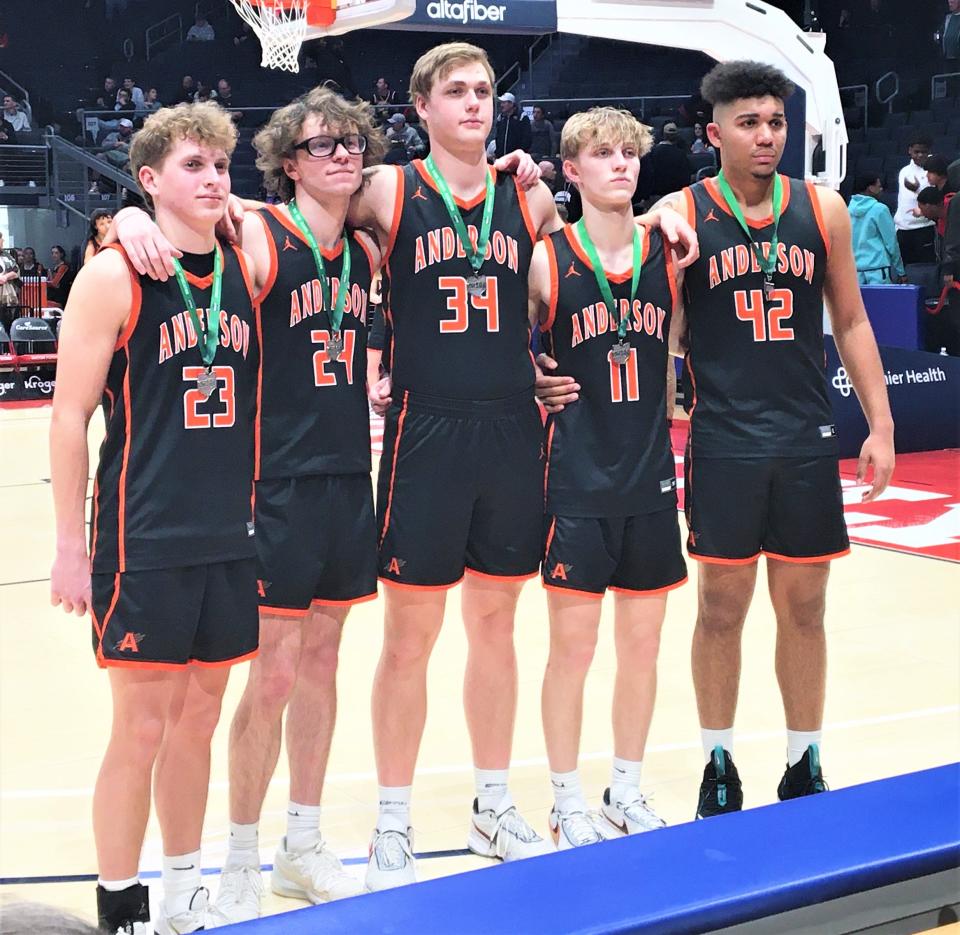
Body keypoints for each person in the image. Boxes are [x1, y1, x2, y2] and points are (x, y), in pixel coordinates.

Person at [345, 42, 694, 889]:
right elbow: (294, 227)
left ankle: (493, 804)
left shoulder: (527, 197)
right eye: (455, 92)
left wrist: (663, 222)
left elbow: (596, 249)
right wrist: (132, 215)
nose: (474, 104)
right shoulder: (391, 190)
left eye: (483, 92)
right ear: (420, 107)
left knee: (495, 629)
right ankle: (393, 816)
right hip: (426, 432)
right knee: (408, 640)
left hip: (511, 434)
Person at [536, 60, 894, 818]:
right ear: (715, 133)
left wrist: (882, 423)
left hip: (803, 436)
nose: (766, 136)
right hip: (721, 438)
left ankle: (804, 759)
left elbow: (853, 321)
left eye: (775, 122)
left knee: (806, 608)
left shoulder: (821, 209)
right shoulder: (680, 213)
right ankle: (718, 761)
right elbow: (599, 261)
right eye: (749, 123)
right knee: (721, 608)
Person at [108, 88, 388, 921]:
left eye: (350, 142)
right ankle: (237, 854)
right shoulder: (258, 232)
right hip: (272, 486)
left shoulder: (369, 252)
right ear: (289, 162)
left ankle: (302, 843)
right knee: (269, 677)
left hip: (347, 479)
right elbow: (163, 221)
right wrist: (125, 219)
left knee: (324, 669)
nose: (340, 154)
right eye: (320, 144)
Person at [49, 101, 261, 935]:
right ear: (147, 180)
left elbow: (330, 203)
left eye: (220, 167)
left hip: (227, 534)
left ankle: (182, 887)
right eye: (192, 167)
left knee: (200, 721)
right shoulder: (114, 274)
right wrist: (72, 545)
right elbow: (69, 417)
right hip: (142, 539)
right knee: (139, 726)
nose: (213, 180)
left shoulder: (246, 259)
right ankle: (119, 903)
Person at [530, 107, 686, 849]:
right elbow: (505, 348)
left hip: (651, 473)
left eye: (629, 152)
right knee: (574, 650)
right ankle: (565, 798)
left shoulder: (667, 247)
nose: (620, 164)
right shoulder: (547, 258)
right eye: (603, 154)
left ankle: (626, 785)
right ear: (573, 170)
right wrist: (529, 374)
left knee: (644, 645)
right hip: (576, 479)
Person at [917, 185, 960, 354]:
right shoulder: (941, 219)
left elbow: (954, 244)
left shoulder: (954, 209)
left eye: (922, 208)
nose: (921, 213)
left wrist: (949, 271)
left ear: (930, 206)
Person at [848, 172, 906, 284]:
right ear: (870, 188)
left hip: (855, 271)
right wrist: (901, 271)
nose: (881, 189)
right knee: (882, 301)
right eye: (878, 186)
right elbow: (891, 243)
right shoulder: (880, 209)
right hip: (879, 270)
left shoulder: (847, 210)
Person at [894, 136, 936, 266]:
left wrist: (918, 190)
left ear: (929, 150)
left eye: (924, 152)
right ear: (910, 150)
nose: (920, 155)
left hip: (925, 228)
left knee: (926, 270)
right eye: (916, 151)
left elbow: (935, 198)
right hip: (903, 229)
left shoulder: (935, 169)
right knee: (905, 272)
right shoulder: (904, 171)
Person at [494, 91, 531, 158]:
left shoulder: (522, 117)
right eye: (501, 103)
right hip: (502, 158)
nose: (501, 105)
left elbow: (527, 138)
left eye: (504, 103)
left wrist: (521, 154)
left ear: (511, 104)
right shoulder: (500, 118)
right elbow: (498, 137)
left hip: (516, 159)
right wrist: (497, 153)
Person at [0, 232, 19, 328]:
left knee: (7, 323)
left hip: (6, 298)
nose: (2, 241)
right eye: (1, 238)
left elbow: (16, 271)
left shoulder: (6, 256)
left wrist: (5, 277)